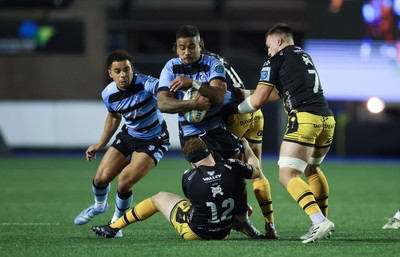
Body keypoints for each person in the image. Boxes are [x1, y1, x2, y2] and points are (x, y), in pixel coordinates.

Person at [157, 25, 278, 238]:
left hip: (217, 129)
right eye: (182, 47)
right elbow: (164, 104)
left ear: (200, 45)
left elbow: (219, 96)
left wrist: (193, 83)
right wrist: (193, 104)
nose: (187, 52)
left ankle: (242, 221)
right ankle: (210, 219)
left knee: (238, 173)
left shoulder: (212, 63)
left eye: (191, 46)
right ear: (176, 48)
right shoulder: (170, 68)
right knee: (210, 178)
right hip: (192, 136)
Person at [237, 23, 336, 243]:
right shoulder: (303, 56)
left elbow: (258, 100)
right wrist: (244, 93)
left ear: (278, 41)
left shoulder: (276, 58)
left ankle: (319, 221)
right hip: (327, 119)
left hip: (304, 119)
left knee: (287, 175)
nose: (268, 51)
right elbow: (275, 93)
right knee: (312, 169)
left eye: (268, 45)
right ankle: (320, 223)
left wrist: (234, 107)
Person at [73, 50, 170, 238]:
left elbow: (165, 92)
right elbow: (113, 116)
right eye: (118, 71)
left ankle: (116, 225)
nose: (123, 74)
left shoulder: (148, 84)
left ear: (132, 69)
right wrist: (101, 144)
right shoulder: (108, 94)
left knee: (124, 182)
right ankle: (99, 206)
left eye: (126, 69)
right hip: (129, 136)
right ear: (110, 73)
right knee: (101, 178)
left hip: (153, 139)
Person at [91, 137, 266, 240]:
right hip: (224, 232)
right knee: (238, 184)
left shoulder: (188, 177)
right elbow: (257, 171)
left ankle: (114, 226)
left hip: (195, 232)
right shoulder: (233, 166)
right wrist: (248, 149)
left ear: (191, 162)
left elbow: (201, 201)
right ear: (210, 153)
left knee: (159, 198)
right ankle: (244, 222)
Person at [206, 50, 278, 239]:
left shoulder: (204, 63)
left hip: (234, 115)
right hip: (253, 110)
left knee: (226, 170)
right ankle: (270, 225)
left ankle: (235, 216)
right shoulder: (218, 58)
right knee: (256, 171)